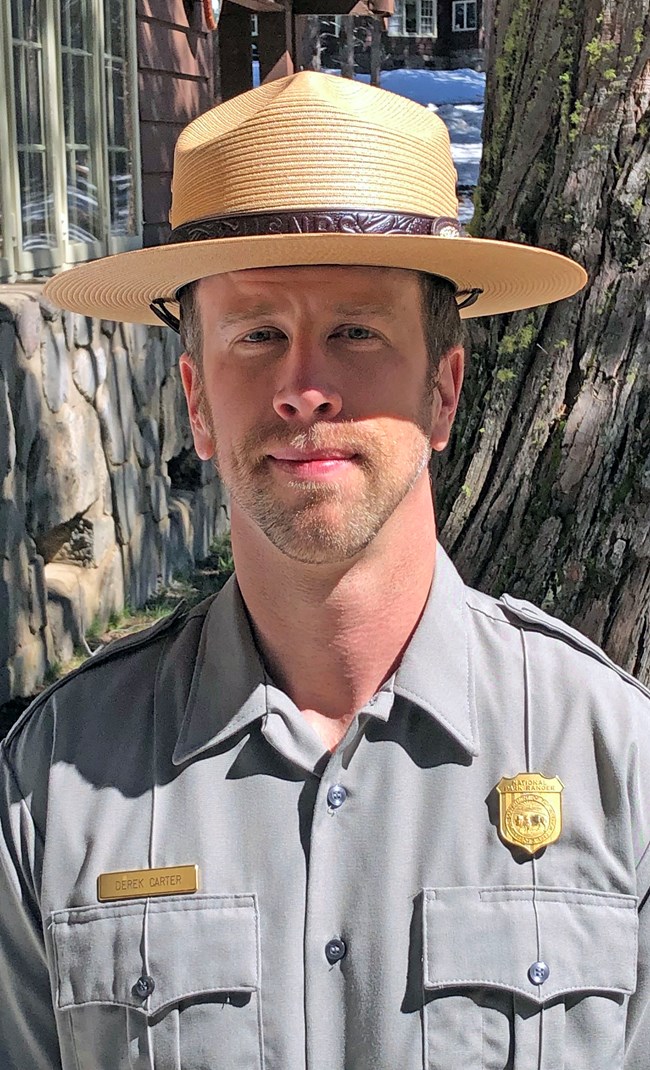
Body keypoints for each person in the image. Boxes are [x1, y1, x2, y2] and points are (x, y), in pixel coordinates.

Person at [1, 71, 648, 1070]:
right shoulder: (54, 786)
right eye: (256, 335)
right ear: (196, 402)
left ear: (443, 388)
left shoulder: (616, 762)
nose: (303, 388)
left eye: (353, 331)